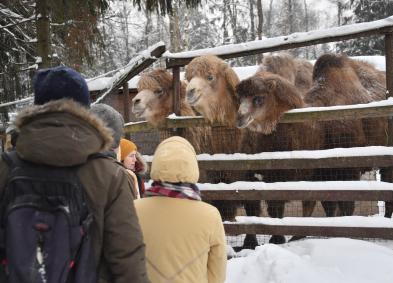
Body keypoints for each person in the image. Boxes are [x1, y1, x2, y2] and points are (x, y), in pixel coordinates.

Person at [0, 66, 150, 283]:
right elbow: (127, 258)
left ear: (37, 108)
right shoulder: (108, 175)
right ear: (85, 111)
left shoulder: (5, 169)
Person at [134, 136, 227, 283]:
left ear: (157, 164)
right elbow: (217, 270)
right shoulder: (210, 215)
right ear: (192, 166)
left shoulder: (134, 210)